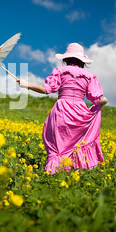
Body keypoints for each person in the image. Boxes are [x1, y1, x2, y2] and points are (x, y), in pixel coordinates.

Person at [17, 43, 108, 174]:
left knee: (58, 146)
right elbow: (96, 99)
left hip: (62, 111)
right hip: (80, 112)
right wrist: (102, 101)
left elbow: (46, 89)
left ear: (65, 59)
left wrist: (26, 84)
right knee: (76, 145)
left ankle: (52, 174)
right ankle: (74, 173)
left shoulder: (60, 71)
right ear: (82, 60)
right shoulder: (89, 76)